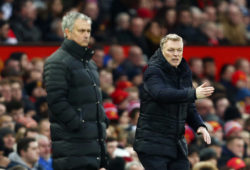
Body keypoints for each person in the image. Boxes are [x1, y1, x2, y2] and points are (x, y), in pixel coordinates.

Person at [133, 34, 214, 170]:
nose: (176, 54)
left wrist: (199, 125)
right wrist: (193, 93)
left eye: (179, 50)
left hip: (176, 144)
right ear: (161, 50)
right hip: (153, 143)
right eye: (171, 50)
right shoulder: (153, 71)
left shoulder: (184, 71)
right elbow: (161, 94)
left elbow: (188, 105)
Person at [43, 11, 108, 170]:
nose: (86, 35)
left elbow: (94, 103)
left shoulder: (90, 64)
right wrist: (80, 125)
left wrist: (103, 121)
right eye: (81, 31)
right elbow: (56, 101)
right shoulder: (56, 62)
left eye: (88, 31)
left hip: (93, 147)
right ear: (67, 32)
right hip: (72, 147)